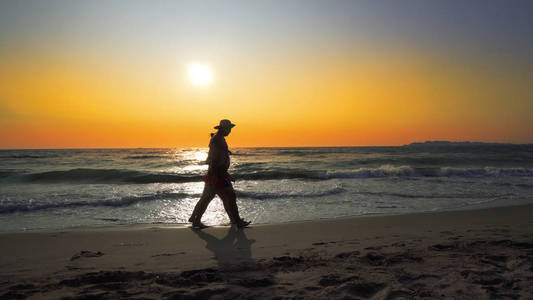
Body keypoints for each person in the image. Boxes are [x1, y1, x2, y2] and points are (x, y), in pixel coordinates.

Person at [188, 119, 250, 229]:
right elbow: (214, 158)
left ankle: (195, 219)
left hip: (217, 173)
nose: (230, 131)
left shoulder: (219, 139)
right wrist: (216, 175)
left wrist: (226, 152)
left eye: (230, 128)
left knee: (208, 198)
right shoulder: (217, 139)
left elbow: (215, 154)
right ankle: (236, 221)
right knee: (230, 197)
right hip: (218, 173)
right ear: (223, 128)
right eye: (229, 128)